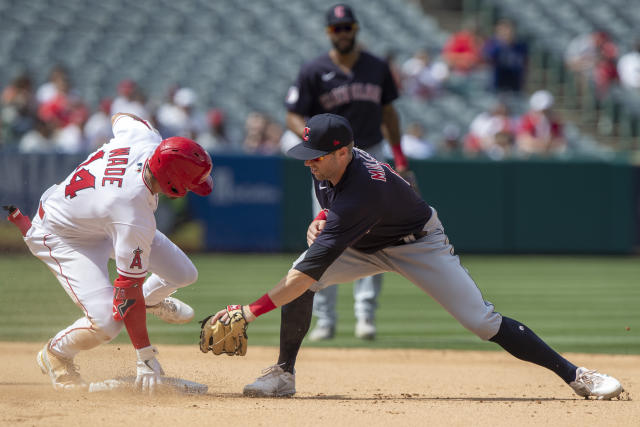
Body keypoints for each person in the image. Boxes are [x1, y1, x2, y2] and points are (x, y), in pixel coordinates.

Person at [202, 113, 624, 400]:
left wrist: (248, 312)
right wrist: (326, 219)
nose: (308, 163)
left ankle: (577, 376)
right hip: (365, 242)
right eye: (307, 155)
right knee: (302, 281)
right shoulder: (331, 168)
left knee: (482, 321)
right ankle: (283, 374)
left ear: (343, 151)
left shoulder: (362, 189)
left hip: (418, 243)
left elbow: (320, 252)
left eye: (317, 155)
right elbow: (335, 214)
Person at [5, 112, 213, 392]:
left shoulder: (147, 139)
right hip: (62, 235)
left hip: (98, 219)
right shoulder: (132, 213)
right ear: (173, 183)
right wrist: (144, 355)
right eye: (190, 183)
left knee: (183, 273)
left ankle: (149, 301)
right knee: (106, 323)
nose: (192, 189)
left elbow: (122, 116)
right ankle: (56, 353)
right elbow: (127, 289)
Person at [283, 3, 414, 341]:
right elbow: (293, 114)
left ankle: (365, 314)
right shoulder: (314, 69)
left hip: (371, 154)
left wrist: (399, 157)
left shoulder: (377, 67)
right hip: (329, 161)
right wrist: (314, 142)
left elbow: (389, 113)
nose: (342, 33)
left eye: (347, 27)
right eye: (336, 29)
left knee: (375, 234)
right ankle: (325, 319)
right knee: (325, 233)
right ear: (329, 32)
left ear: (356, 29)